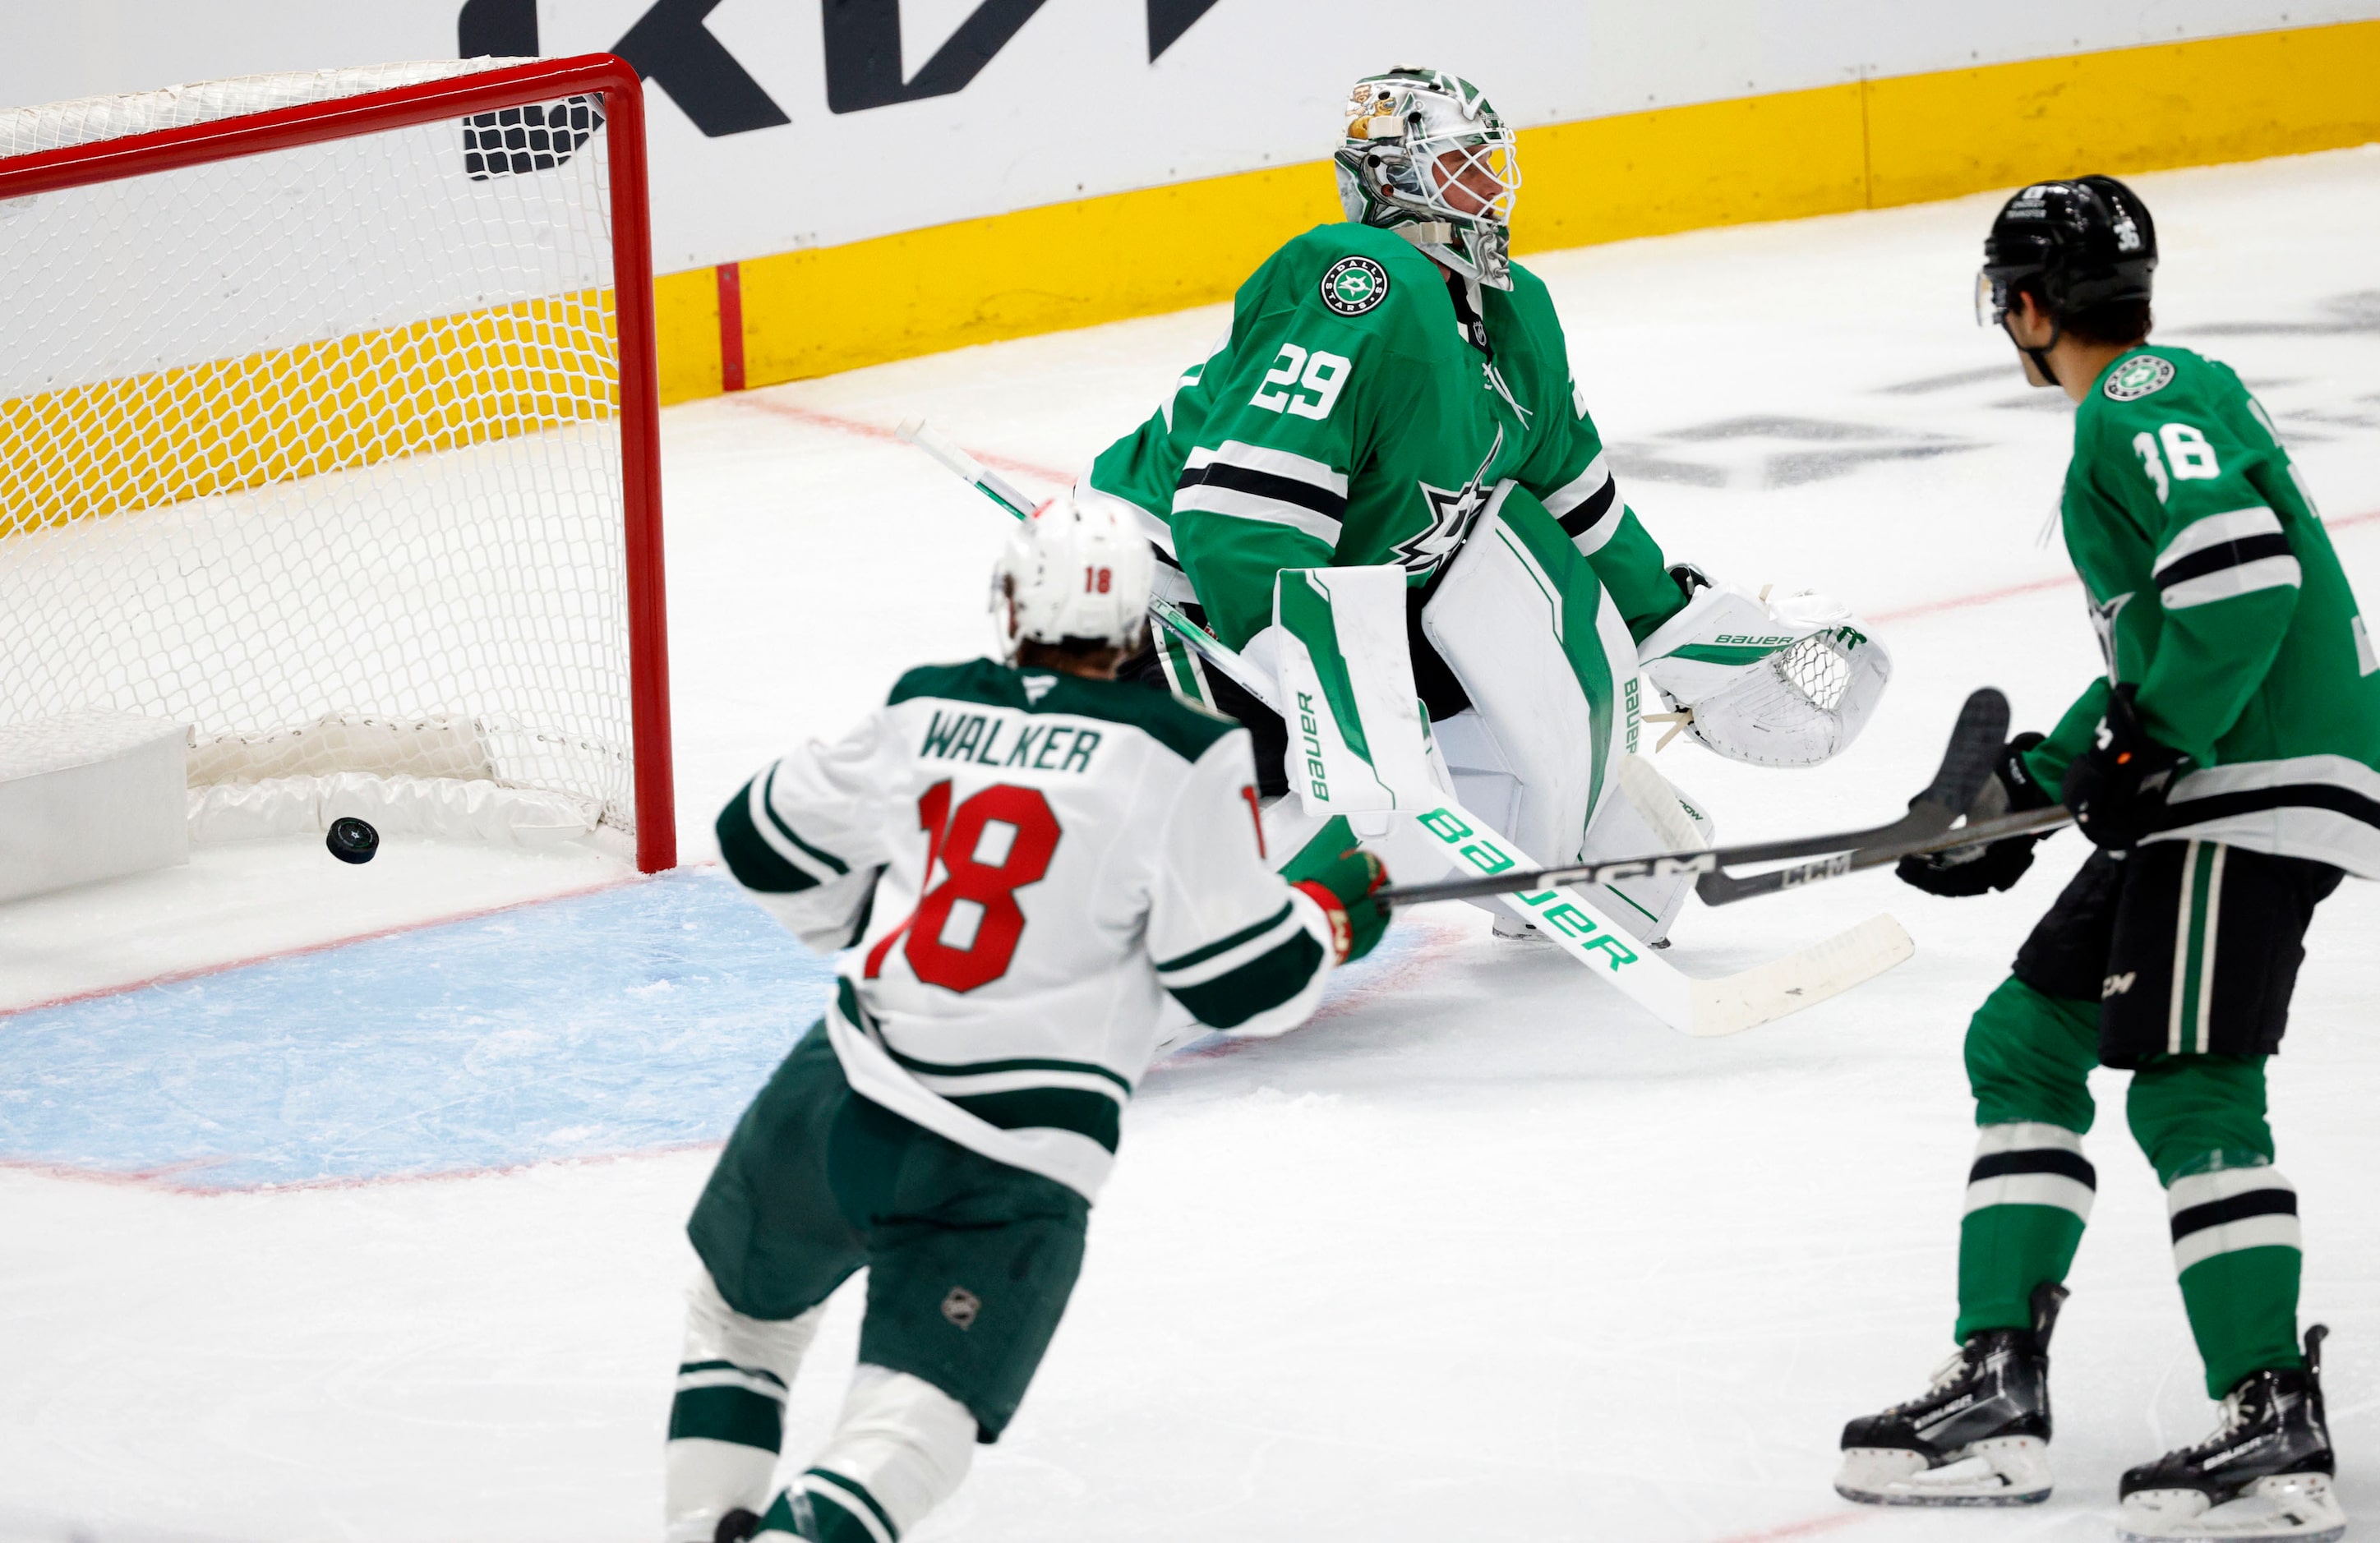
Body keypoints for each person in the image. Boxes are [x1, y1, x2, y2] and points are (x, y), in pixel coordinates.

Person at [663, 496, 1392, 1543]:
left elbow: (755, 836)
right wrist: (1322, 918)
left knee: (738, 1326)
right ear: (1141, 626)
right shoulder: (1182, 750)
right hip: (1008, 1159)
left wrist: (847, 922)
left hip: (836, 1099)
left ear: (1007, 607)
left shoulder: (923, 709)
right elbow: (1238, 982)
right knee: (916, 1413)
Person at [1837, 175, 2365, 1543]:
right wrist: (2044, 777)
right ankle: (1996, 1391)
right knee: (2021, 1039)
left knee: (2192, 1086)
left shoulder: (2135, 404)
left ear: (2022, 305)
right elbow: (2166, 642)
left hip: (2247, 782)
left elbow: (2243, 582)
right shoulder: (2164, 397)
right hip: (2222, 768)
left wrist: (2147, 746)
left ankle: (2268, 1426)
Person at [1079, 65, 1890, 945]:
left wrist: (1673, 626)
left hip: (1350, 615)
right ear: (1390, 179)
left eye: (1491, 163)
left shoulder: (1516, 310)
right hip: (1174, 613)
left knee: (1607, 829)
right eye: (1459, 164)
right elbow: (1240, 516)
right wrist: (1318, 686)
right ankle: (1173, 933)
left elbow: (1574, 501)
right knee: (1341, 816)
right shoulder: (1359, 277)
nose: (1490, 187)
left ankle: (1553, 870)